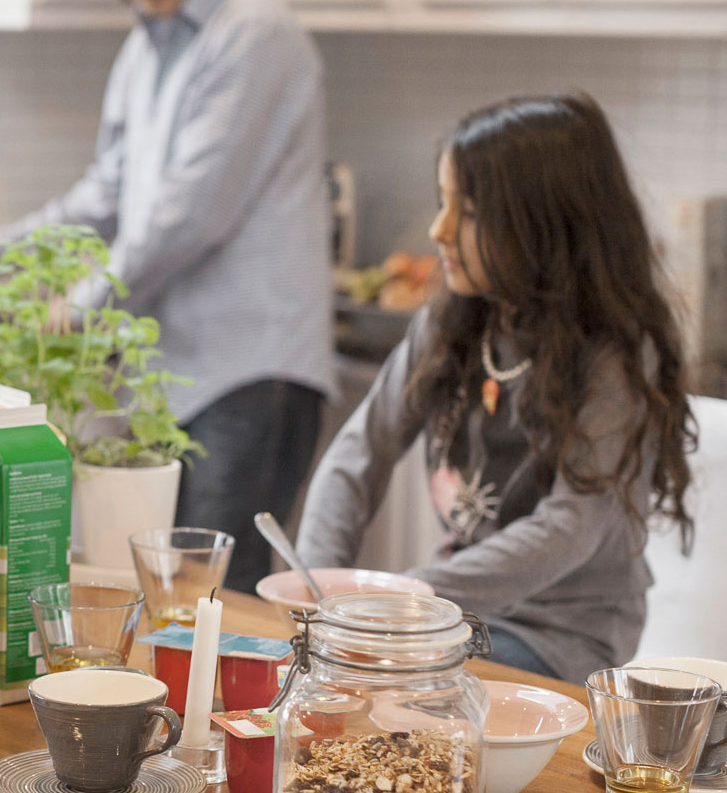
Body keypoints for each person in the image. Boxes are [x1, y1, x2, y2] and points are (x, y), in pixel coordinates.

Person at [0, 0, 335, 593]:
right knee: (169, 592)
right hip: (179, 375)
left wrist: (77, 305)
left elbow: (187, 214)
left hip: (249, 368)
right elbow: (106, 194)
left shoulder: (252, 35)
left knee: (220, 603)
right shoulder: (147, 47)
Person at [296, 93, 695, 683]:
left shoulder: (614, 355)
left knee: (385, 692)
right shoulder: (452, 320)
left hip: (563, 641)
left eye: (470, 210)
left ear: (545, 225)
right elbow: (358, 456)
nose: (438, 229)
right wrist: (316, 594)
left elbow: (568, 528)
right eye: (442, 202)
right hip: (455, 615)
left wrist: (404, 596)